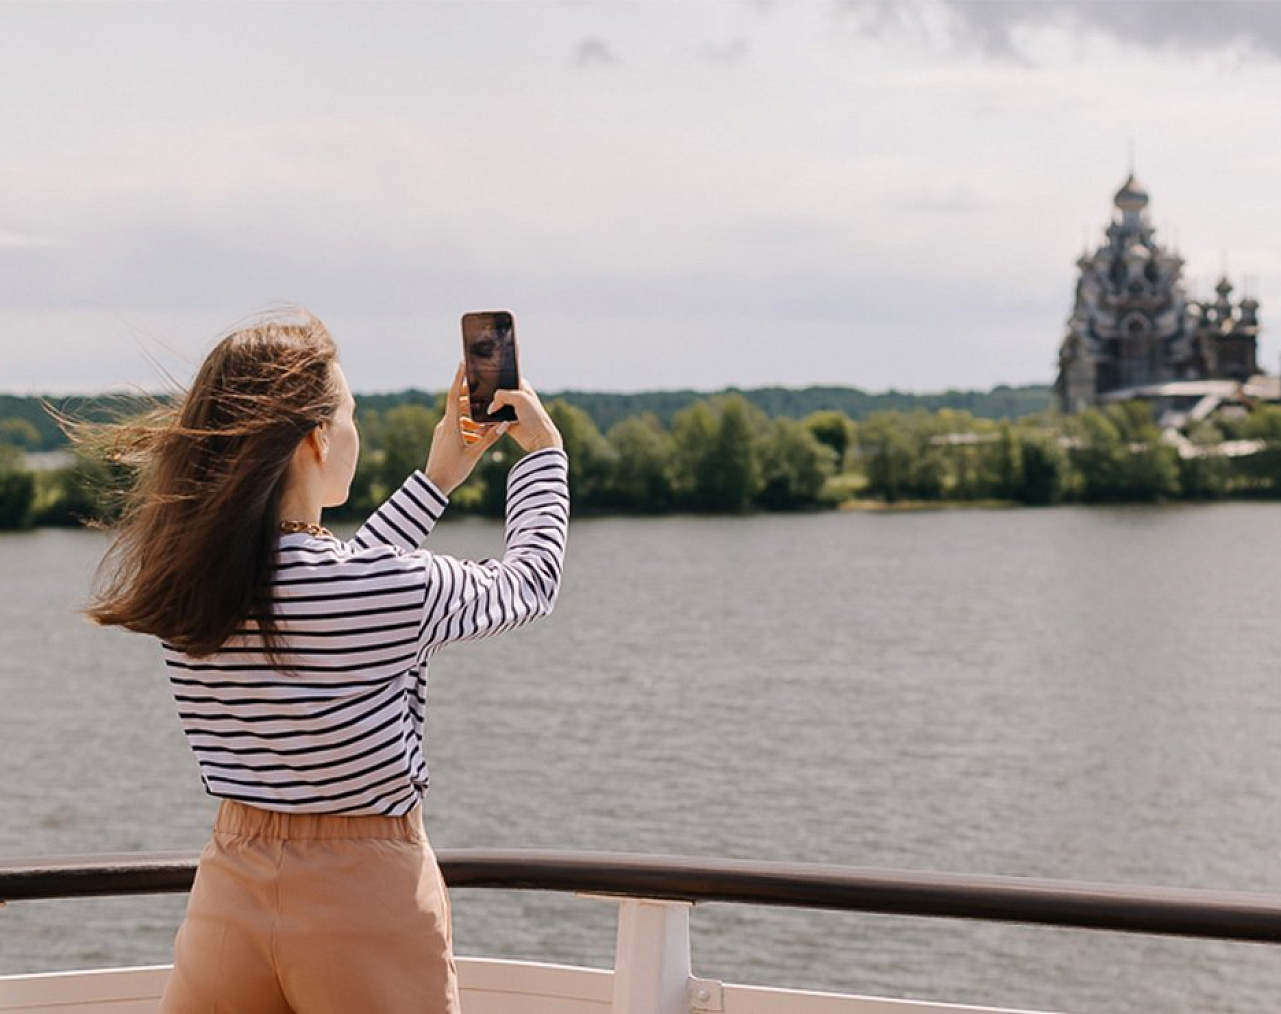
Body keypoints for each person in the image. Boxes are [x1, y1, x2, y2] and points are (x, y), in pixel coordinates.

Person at [77, 310, 568, 1013]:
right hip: (362, 890)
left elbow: (338, 585)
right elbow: (528, 584)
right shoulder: (383, 590)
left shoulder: (191, 585)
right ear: (315, 439)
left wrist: (434, 481)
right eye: (350, 414)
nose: (355, 433)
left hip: (232, 885)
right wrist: (543, 455)